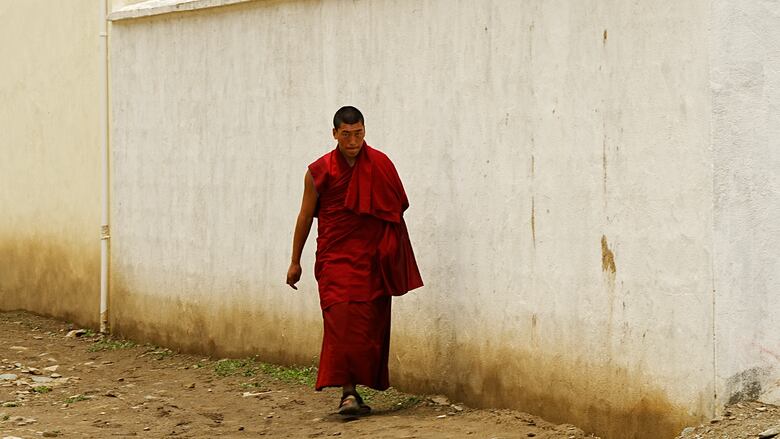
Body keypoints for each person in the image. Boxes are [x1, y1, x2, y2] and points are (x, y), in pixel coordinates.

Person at [286, 106, 423, 416]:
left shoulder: (381, 164)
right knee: (340, 323)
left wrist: (390, 251)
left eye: (358, 134)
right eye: (346, 135)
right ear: (334, 134)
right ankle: (348, 392)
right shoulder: (319, 171)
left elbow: (397, 206)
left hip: (371, 260)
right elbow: (306, 215)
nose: (352, 141)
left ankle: (355, 391)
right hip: (335, 259)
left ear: (365, 131)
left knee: (368, 328)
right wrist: (295, 260)